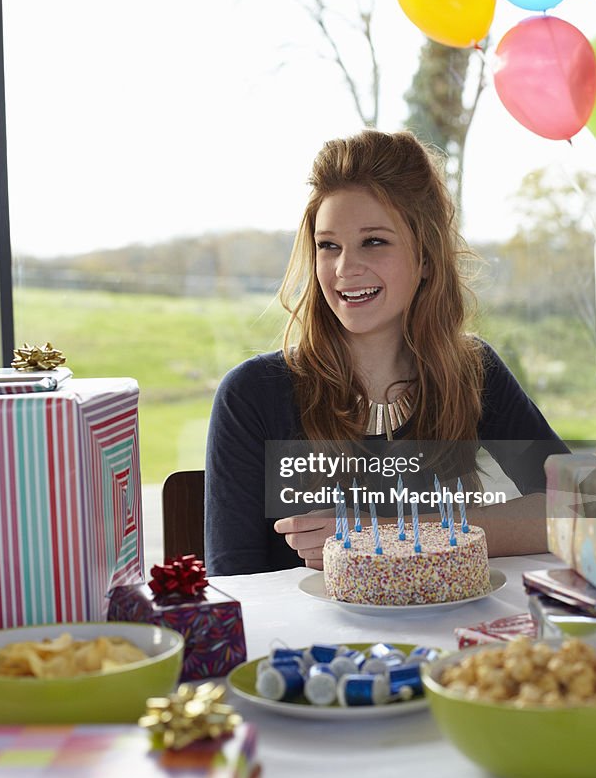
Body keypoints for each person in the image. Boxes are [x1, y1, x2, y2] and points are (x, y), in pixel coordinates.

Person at [205, 129, 567, 575]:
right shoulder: (251, 395)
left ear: (426, 258)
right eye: (328, 246)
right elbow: (233, 590)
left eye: (373, 241)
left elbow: (578, 509)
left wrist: (390, 534)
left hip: (450, 635)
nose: (344, 268)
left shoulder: (474, 371)